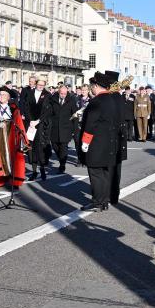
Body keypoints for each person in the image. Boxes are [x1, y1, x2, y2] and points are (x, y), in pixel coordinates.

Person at [81, 71, 123, 212]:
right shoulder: (112, 99)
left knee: (95, 172)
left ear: (97, 86)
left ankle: (98, 201)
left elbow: (90, 123)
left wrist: (85, 141)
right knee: (105, 173)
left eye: (92, 85)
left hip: (97, 143)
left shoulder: (96, 101)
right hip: (109, 142)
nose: (91, 88)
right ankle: (104, 201)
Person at [0, 87, 27, 189]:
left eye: (4, 95)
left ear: (8, 97)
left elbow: (19, 123)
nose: (1, 97)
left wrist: (22, 137)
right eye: (0, 94)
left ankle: (14, 181)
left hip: (10, 137)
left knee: (11, 158)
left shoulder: (13, 108)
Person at [43, 82, 77, 174]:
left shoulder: (71, 100)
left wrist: (75, 129)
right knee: (55, 145)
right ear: (58, 92)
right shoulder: (53, 99)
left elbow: (75, 115)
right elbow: (49, 112)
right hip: (54, 127)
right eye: (61, 93)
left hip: (66, 127)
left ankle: (62, 164)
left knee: (63, 147)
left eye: (65, 94)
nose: (63, 95)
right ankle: (61, 159)